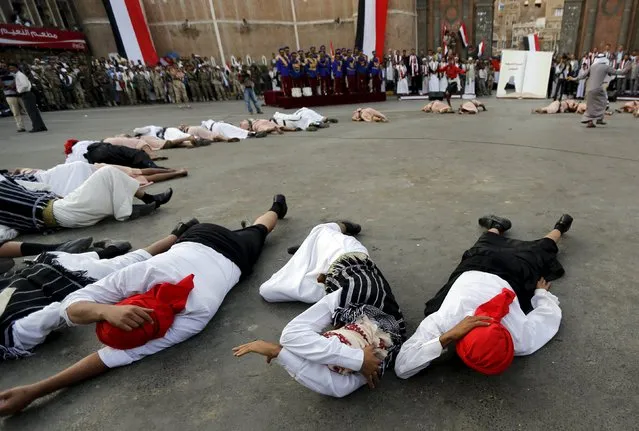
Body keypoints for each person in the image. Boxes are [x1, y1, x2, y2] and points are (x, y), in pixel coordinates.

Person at [0, 196, 288, 416]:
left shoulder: (178, 309)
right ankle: (277, 207)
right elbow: (99, 349)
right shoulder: (188, 311)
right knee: (259, 228)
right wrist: (35, 390)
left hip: (219, 249)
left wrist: (104, 311)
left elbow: (74, 311)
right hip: (216, 246)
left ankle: (275, 208)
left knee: (259, 230)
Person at [234, 221, 406, 397]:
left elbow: (337, 388)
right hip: (343, 254)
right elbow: (291, 336)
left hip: (325, 284)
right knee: (321, 229)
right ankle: (341, 226)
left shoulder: (370, 360)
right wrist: (358, 360)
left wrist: (280, 353)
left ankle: (307, 253)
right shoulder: (380, 344)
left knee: (269, 291)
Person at [395, 214, 573, 378]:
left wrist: (446, 337)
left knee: (531, 254)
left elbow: (403, 366)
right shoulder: (518, 338)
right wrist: (540, 294)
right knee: (528, 253)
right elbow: (548, 316)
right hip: (494, 272)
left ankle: (551, 228)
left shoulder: (445, 322)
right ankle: (506, 227)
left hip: (484, 269)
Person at [0, 166, 173, 235]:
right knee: (107, 173)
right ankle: (135, 205)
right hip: (59, 214)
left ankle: (137, 203)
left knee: (107, 174)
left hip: (59, 205)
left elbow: (31, 186)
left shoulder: (6, 182)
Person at [569, 53, 630, 128]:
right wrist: (627, 68)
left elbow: (583, 75)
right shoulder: (605, 67)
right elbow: (619, 72)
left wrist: (574, 78)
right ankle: (599, 119)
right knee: (604, 102)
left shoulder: (592, 66)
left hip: (589, 89)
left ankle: (590, 121)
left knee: (590, 106)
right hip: (598, 89)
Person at [64, 140, 165, 169]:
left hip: (93, 162)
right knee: (134, 155)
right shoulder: (82, 143)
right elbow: (100, 143)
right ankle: (154, 167)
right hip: (101, 150)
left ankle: (152, 168)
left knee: (126, 168)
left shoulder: (69, 158)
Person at [7, 63, 47, 133]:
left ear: (17, 68)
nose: (11, 69)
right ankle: (41, 126)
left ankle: (36, 127)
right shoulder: (19, 75)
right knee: (34, 112)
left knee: (32, 112)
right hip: (28, 94)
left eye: (12, 68)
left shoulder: (20, 75)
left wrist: (19, 91)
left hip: (26, 94)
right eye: (10, 68)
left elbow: (25, 85)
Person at [271, 108, 338, 131]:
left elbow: (280, 128)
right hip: (296, 115)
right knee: (305, 115)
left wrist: (293, 130)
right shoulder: (275, 119)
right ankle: (322, 120)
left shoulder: (272, 121)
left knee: (304, 116)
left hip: (293, 118)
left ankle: (315, 123)